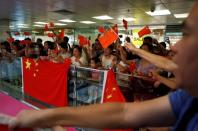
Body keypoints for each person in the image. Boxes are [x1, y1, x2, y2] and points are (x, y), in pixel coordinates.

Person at [3, 2, 198, 131]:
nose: (175, 46)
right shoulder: (189, 98)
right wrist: (48, 117)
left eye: (187, 34)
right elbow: (124, 113)